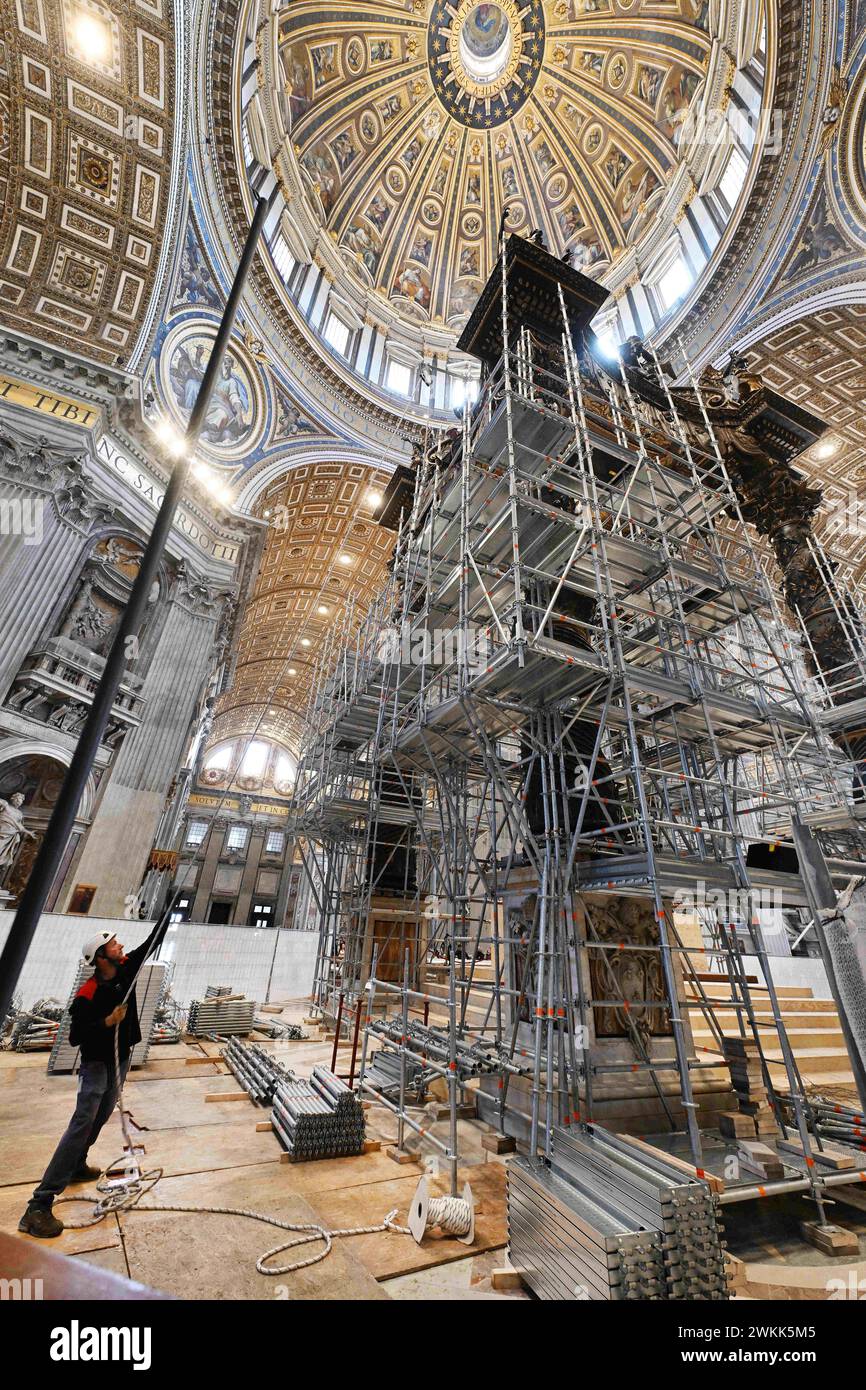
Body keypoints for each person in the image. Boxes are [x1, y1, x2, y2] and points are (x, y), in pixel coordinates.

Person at [19, 915, 171, 1238]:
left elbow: (153, 941)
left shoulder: (126, 969)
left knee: (101, 1115)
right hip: (97, 1065)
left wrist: (172, 906)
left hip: (120, 1058)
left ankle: (77, 1164)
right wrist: (107, 1022)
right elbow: (76, 1037)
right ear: (101, 957)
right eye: (115, 944)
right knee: (82, 1122)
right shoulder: (88, 994)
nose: (121, 946)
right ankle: (39, 1204)